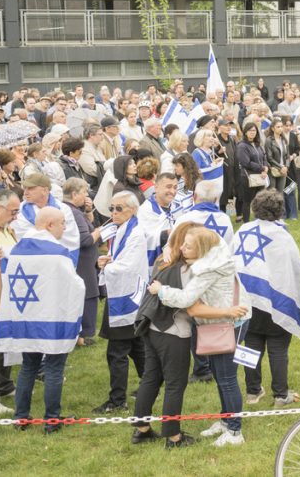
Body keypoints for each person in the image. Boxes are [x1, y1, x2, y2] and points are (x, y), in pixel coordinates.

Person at [150, 226, 251, 447]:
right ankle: (226, 420)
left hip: (230, 324)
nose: (182, 248)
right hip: (220, 323)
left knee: (227, 378)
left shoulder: (208, 270)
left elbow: (186, 299)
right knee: (220, 374)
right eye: (183, 244)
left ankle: (235, 431)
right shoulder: (213, 253)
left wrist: (161, 290)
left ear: (202, 249)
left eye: (188, 246)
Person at [0, 207, 84, 434]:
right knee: (54, 367)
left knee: (28, 366)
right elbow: (74, 285)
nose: (65, 227)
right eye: (62, 223)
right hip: (51, 317)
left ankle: (21, 417)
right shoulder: (57, 252)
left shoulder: (17, 249)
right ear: (50, 225)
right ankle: (52, 420)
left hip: (25, 316)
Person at [130, 222, 203, 449]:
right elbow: (191, 302)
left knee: (151, 377)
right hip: (174, 331)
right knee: (175, 383)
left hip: (151, 327)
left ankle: (142, 429)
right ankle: (173, 437)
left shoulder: (162, 261)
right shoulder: (186, 270)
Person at [236, 190, 300, 407]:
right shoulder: (282, 236)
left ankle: (252, 391)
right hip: (275, 300)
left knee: (250, 345)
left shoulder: (244, 230)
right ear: (280, 210)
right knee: (278, 348)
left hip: (248, 299)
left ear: (255, 208)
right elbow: (296, 269)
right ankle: (280, 394)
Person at [93, 191, 148, 414]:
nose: (113, 213)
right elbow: (120, 260)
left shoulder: (135, 233)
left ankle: (117, 400)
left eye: (119, 208)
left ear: (132, 210)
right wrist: (105, 261)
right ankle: (151, 382)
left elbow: (128, 266)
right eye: (112, 208)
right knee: (136, 346)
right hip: (125, 294)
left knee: (117, 352)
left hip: (126, 297)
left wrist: (107, 266)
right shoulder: (123, 229)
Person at [62, 178, 102, 346]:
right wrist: (100, 231)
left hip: (80, 261)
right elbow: (85, 239)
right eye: (84, 192)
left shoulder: (72, 210)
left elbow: (87, 225)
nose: (87, 195)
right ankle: (82, 336)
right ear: (74, 194)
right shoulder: (73, 213)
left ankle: (80, 335)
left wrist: (88, 211)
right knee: (87, 296)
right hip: (83, 262)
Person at [0, 188, 20, 414]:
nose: (15, 216)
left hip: (9, 297)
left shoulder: (8, 230)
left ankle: (5, 384)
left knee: (6, 343)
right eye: (13, 212)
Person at [235, 119, 267, 222]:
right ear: (245, 132)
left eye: (254, 130)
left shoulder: (257, 144)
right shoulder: (242, 145)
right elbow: (246, 162)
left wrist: (265, 168)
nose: (252, 132)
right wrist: (261, 168)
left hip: (260, 176)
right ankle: (246, 223)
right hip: (247, 177)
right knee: (247, 201)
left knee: (260, 200)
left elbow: (264, 157)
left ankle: (260, 220)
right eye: (250, 130)